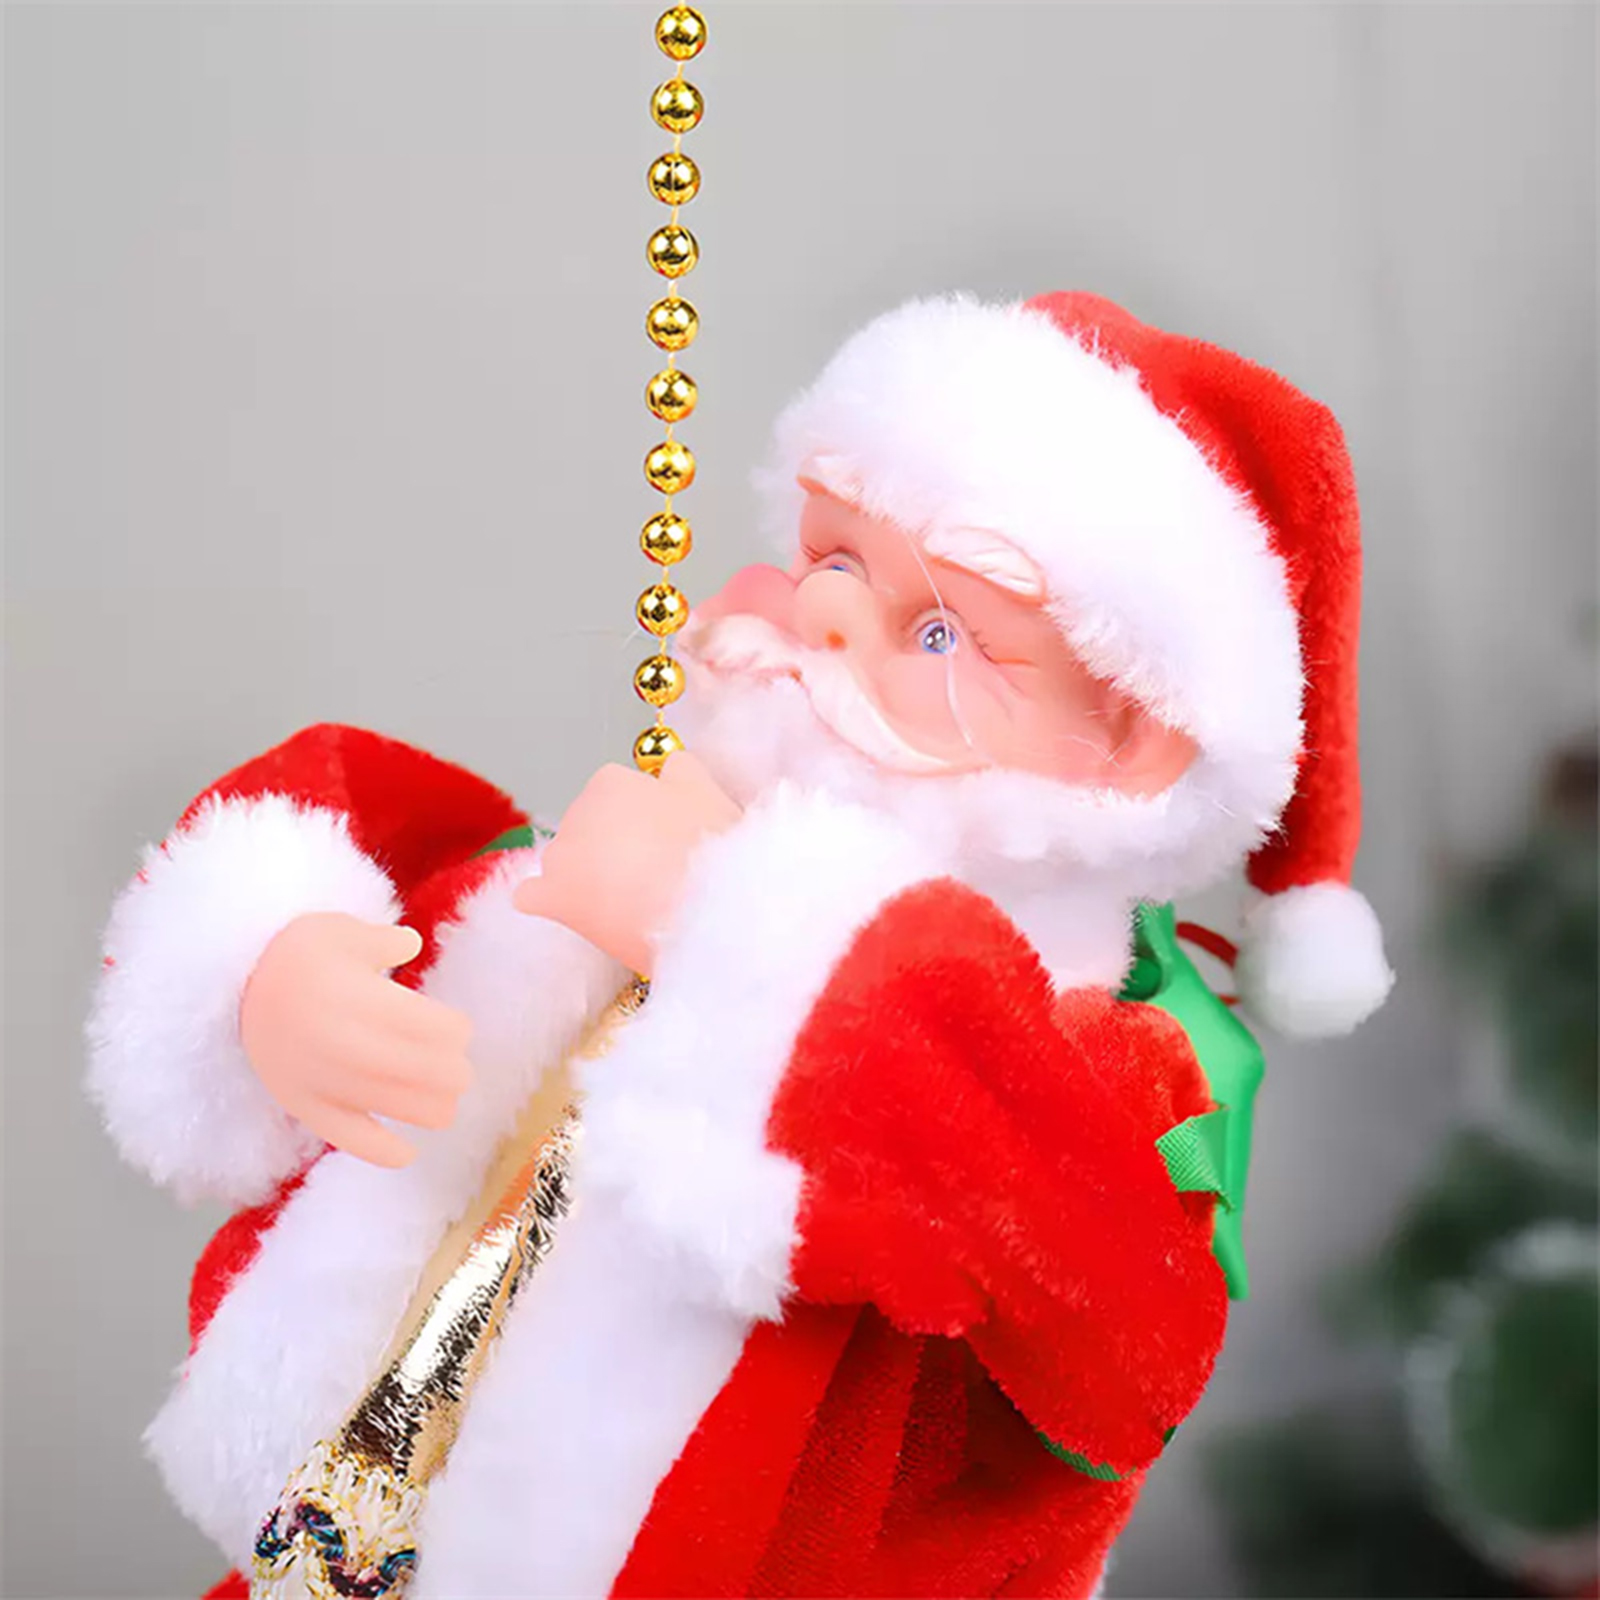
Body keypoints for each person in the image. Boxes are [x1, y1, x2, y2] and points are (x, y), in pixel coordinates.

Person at [87, 291, 1393, 1599]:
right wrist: (276, 964)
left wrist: (726, 931)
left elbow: (1122, 1342)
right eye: (836, 560)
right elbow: (397, 846)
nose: (827, 620)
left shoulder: (1091, 1074)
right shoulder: (645, 850)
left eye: (941, 630)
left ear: (1126, 746)